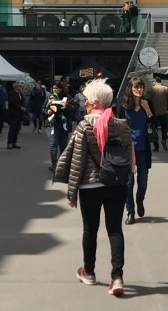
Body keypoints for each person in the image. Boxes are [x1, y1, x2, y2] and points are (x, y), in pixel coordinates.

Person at [54, 79, 132, 297]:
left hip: (91, 186)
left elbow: (77, 161)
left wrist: (71, 193)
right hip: (117, 184)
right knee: (115, 229)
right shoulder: (121, 124)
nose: (85, 104)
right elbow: (128, 158)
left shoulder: (85, 125)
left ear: (96, 102)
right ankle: (117, 277)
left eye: (87, 101)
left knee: (90, 230)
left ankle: (88, 271)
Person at [120, 77, 153, 225]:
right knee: (128, 183)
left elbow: (155, 124)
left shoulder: (147, 103)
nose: (139, 90)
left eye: (141, 87)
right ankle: (130, 212)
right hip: (128, 149)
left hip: (143, 149)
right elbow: (118, 126)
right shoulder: (124, 106)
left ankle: (140, 200)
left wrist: (147, 110)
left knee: (143, 181)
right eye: (136, 87)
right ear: (130, 89)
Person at [45, 83, 72, 173]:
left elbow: (73, 110)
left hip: (63, 125)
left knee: (63, 145)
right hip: (52, 124)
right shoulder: (50, 97)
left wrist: (67, 106)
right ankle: (54, 164)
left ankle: (62, 165)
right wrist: (47, 111)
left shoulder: (67, 98)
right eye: (53, 88)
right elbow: (43, 109)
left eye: (56, 88)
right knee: (53, 144)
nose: (54, 90)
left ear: (60, 89)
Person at [148, 77, 168, 152]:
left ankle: (156, 146)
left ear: (155, 81)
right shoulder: (166, 88)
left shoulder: (151, 89)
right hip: (163, 111)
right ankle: (164, 139)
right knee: (164, 127)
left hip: (153, 112)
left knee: (154, 128)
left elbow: (147, 100)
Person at [7, 81, 26, 150]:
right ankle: (9, 142)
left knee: (17, 129)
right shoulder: (12, 93)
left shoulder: (21, 94)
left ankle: (14, 142)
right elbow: (12, 102)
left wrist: (24, 107)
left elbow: (23, 102)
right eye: (20, 86)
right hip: (13, 114)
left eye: (22, 86)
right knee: (12, 128)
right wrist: (20, 107)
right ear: (16, 87)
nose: (21, 87)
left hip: (20, 114)